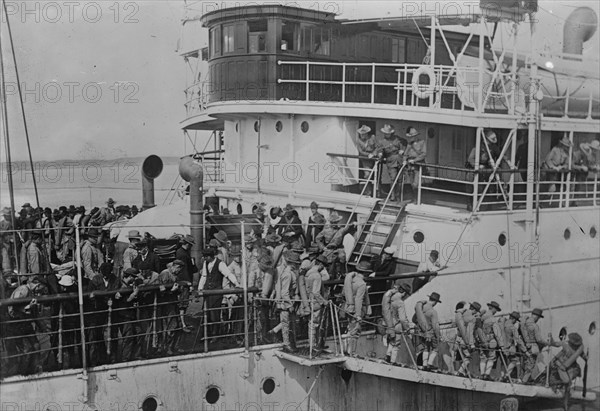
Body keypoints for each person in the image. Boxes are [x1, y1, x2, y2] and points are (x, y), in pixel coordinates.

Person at [198, 248, 240, 339]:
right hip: (207, 292)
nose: (204, 259)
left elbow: (228, 274)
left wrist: (236, 283)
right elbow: (204, 276)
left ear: (210, 256)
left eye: (206, 257)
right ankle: (206, 334)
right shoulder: (206, 263)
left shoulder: (220, 264)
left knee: (214, 314)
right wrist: (200, 288)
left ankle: (215, 335)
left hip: (216, 292)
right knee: (206, 313)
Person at [6, 275, 44, 375]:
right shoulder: (23, 290)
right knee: (26, 350)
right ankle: (23, 373)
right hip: (17, 322)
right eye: (41, 287)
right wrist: (28, 307)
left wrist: (40, 326)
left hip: (25, 322)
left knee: (36, 346)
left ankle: (34, 370)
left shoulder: (30, 291)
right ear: (37, 284)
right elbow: (14, 306)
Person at [157, 259, 186, 355]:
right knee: (169, 326)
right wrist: (173, 291)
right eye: (178, 269)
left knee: (176, 325)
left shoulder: (175, 275)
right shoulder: (165, 274)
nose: (179, 272)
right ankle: (166, 347)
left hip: (173, 303)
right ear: (175, 267)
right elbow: (162, 292)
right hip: (165, 304)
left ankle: (172, 346)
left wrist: (178, 290)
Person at [343, 260, 371, 356]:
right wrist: (358, 315)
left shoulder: (351, 279)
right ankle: (352, 352)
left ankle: (346, 350)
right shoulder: (362, 284)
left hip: (348, 307)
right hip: (356, 310)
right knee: (355, 331)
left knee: (349, 329)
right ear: (367, 273)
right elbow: (359, 300)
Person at [274, 250, 300, 353]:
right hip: (286, 304)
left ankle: (291, 343)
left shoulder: (290, 273)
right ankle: (286, 344)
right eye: (296, 263)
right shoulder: (287, 275)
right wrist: (289, 305)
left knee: (290, 323)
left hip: (290, 301)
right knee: (285, 323)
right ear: (292, 263)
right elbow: (284, 292)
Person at [305, 254, 330, 354]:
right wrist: (324, 301)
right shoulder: (317, 276)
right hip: (315, 303)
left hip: (308, 301)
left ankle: (312, 344)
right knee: (314, 324)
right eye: (323, 266)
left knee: (311, 323)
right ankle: (313, 345)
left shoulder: (309, 273)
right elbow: (316, 292)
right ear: (320, 264)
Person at [381, 281, 411, 364]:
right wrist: (407, 328)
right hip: (396, 324)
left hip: (388, 322)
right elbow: (402, 319)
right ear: (404, 293)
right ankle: (393, 361)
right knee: (396, 344)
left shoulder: (391, 297)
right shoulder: (400, 302)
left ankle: (387, 356)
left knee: (392, 340)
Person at [377, 124, 407, 201]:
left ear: (391, 133)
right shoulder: (382, 142)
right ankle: (392, 195)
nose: (387, 134)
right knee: (393, 178)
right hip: (390, 161)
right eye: (386, 133)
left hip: (399, 160)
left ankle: (398, 195)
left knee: (400, 180)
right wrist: (380, 154)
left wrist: (402, 149)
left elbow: (405, 142)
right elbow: (380, 150)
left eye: (388, 133)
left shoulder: (397, 139)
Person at [520, 307, 551, 382]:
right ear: (536, 316)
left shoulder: (524, 323)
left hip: (524, 346)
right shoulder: (534, 326)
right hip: (533, 347)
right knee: (531, 365)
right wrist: (547, 343)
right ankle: (524, 381)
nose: (538, 320)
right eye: (538, 318)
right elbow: (539, 339)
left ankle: (521, 379)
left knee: (524, 364)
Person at [476, 301, 504, 380]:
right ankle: (487, 374)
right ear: (493, 309)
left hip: (482, 339)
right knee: (491, 357)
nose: (496, 312)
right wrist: (501, 345)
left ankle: (482, 374)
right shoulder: (493, 319)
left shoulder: (482, 317)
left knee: (483, 357)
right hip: (491, 340)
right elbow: (497, 333)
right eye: (496, 310)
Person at [414, 292, 441, 371]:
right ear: (435, 302)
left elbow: (414, 319)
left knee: (425, 348)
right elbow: (435, 326)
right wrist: (438, 336)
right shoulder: (433, 312)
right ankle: (429, 364)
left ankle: (424, 365)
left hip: (422, 332)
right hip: (431, 333)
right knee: (435, 348)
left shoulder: (421, 308)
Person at [542, 135, 572, 205]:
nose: (566, 147)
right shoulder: (555, 149)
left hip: (557, 171)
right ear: (561, 144)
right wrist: (553, 167)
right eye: (565, 145)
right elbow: (548, 159)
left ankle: (550, 202)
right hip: (548, 169)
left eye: (567, 146)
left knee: (557, 187)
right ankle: (543, 202)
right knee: (551, 187)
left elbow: (567, 164)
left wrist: (562, 167)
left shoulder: (566, 153)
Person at [453, 301, 481, 377]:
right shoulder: (472, 318)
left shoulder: (462, 314)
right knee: (468, 357)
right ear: (475, 310)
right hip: (465, 341)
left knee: (460, 356)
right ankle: (460, 371)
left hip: (458, 339)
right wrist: (471, 344)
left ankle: (461, 372)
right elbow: (470, 332)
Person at [500, 311, 526, 382]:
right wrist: (525, 350)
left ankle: (502, 376)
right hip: (509, 346)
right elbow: (518, 339)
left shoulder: (501, 324)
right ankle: (507, 375)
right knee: (515, 360)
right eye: (516, 321)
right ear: (514, 319)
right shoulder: (512, 327)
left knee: (503, 361)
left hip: (500, 346)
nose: (515, 322)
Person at [402, 127, 427, 200]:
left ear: (416, 136)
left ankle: (418, 199)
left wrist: (415, 160)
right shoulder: (409, 144)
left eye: (413, 136)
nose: (411, 138)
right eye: (410, 137)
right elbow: (405, 154)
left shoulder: (422, 142)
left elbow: (423, 154)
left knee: (416, 183)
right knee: (412, 183)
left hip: (418, 165)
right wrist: (404, 160)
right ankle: (415, 198)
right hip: (410, 166)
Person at [356, 125, 378, 196]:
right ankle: (367, 192)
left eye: (364, 134)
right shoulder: (358, 141)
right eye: (361, 134)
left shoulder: (372, 138)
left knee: (376, 175)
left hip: (374, 158)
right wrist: (368, 155)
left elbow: (377, 147)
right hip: (365, 160)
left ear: (367, 133)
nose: (362, 135)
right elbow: (360, 151)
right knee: (367, 175)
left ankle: (377, 192)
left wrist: (373, 153)